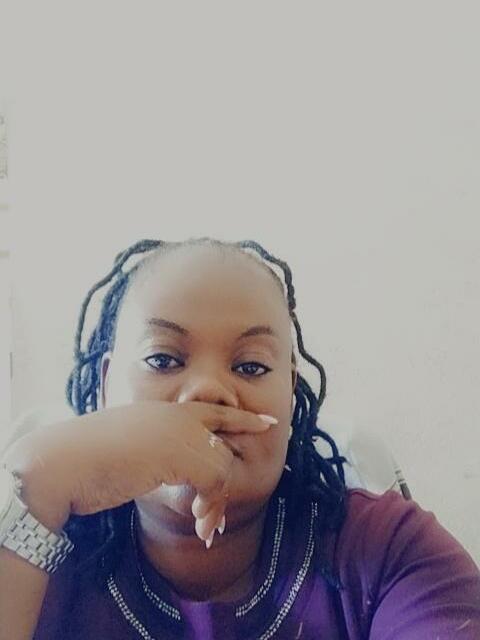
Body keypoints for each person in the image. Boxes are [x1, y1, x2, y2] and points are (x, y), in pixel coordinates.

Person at [1, 237, 479, 640]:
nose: (208, 390)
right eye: (163, 360)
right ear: (105, 388)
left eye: (251, 366)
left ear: (290, 396)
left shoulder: (390, 549)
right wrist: (35, 485)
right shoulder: (45, 549)